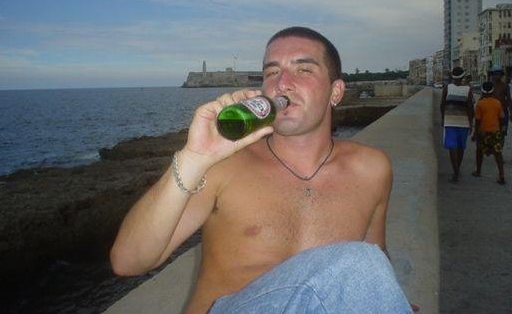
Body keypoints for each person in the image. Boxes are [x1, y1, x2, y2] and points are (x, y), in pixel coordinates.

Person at [110, 27, 413, 313]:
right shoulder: (225, 167)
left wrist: (382, 295)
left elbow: (376, 254)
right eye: (272, 72)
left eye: (303, 69)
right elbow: (128, 261)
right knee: (358, 262)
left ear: (336, 92)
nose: (283, 83)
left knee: (363, 262)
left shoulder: (371, 168)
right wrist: (194, 158)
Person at [440, 67, 474, 183]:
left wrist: (442, 118)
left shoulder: (447, 88)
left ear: (452, 77)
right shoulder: (468, 89)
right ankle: (457, 169)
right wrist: (471, 123)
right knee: (460, 148)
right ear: (463, 76)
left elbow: (442, 104)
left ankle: (455, 172)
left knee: (452, 148)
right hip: (463, 123)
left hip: (449, 121)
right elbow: (470, 108)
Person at [472, 81, 506, 184]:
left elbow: (478, 120)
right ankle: (501, 174)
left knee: (479, 151)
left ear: (482, 91)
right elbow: (501, 119)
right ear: (492, 91)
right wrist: (500, 131)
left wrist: (475, 134)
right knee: (498, 153)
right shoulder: (497, 103)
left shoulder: (480, 104)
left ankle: (478, 171)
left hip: (483, 132)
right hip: (495, 131)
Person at [489, 68, 511, 140]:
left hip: (504, 113)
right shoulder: (489, 86)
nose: (496, 76)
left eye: (498, 74)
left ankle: (499, 149)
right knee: (491, 133)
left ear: (501, 75)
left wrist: (511, 112)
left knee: (502, 132)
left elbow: (509, 100)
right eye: (494, 74)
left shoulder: (505, 86)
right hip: (491, 113)